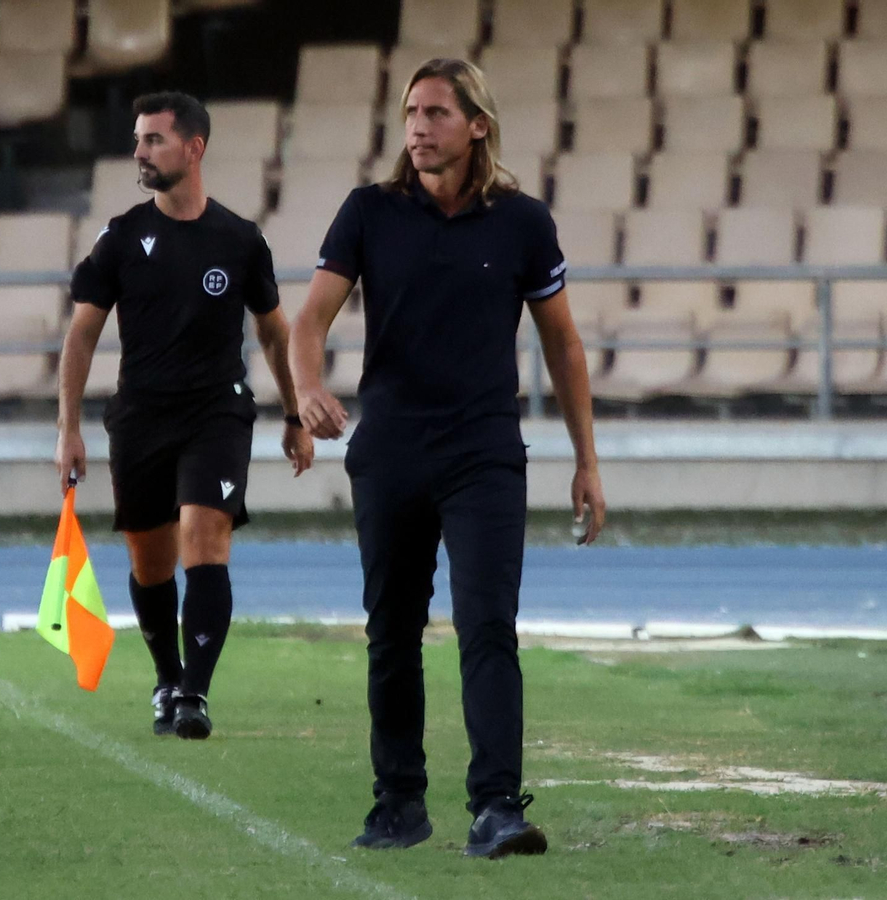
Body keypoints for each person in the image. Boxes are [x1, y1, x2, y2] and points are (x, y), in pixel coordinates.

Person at [289, 59, 608, 859]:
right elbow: (309, 320)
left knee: (488, 625)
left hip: (484, 453)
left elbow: (564, 345)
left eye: (436, 112)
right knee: (392, 632)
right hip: (390, 451)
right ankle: (398, 802)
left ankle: (496, 807)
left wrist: (587, 460)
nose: (418, 127)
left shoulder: (523, 223)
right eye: (411, 113)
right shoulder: (368, 211)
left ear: (478, 125)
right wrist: (307, 388)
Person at [57, 91, 313, 741]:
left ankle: (195, 692)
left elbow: (275, 333)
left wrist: (294, 414)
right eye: (137, 140)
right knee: (151, 563)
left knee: (205, 537)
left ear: (193, 149)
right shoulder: (120, 237)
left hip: (216, 413)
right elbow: (81, 336)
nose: (139, 152)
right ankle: (167, 677)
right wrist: (68, 428)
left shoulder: (240, 239)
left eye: (153, 140)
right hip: (140, 417)